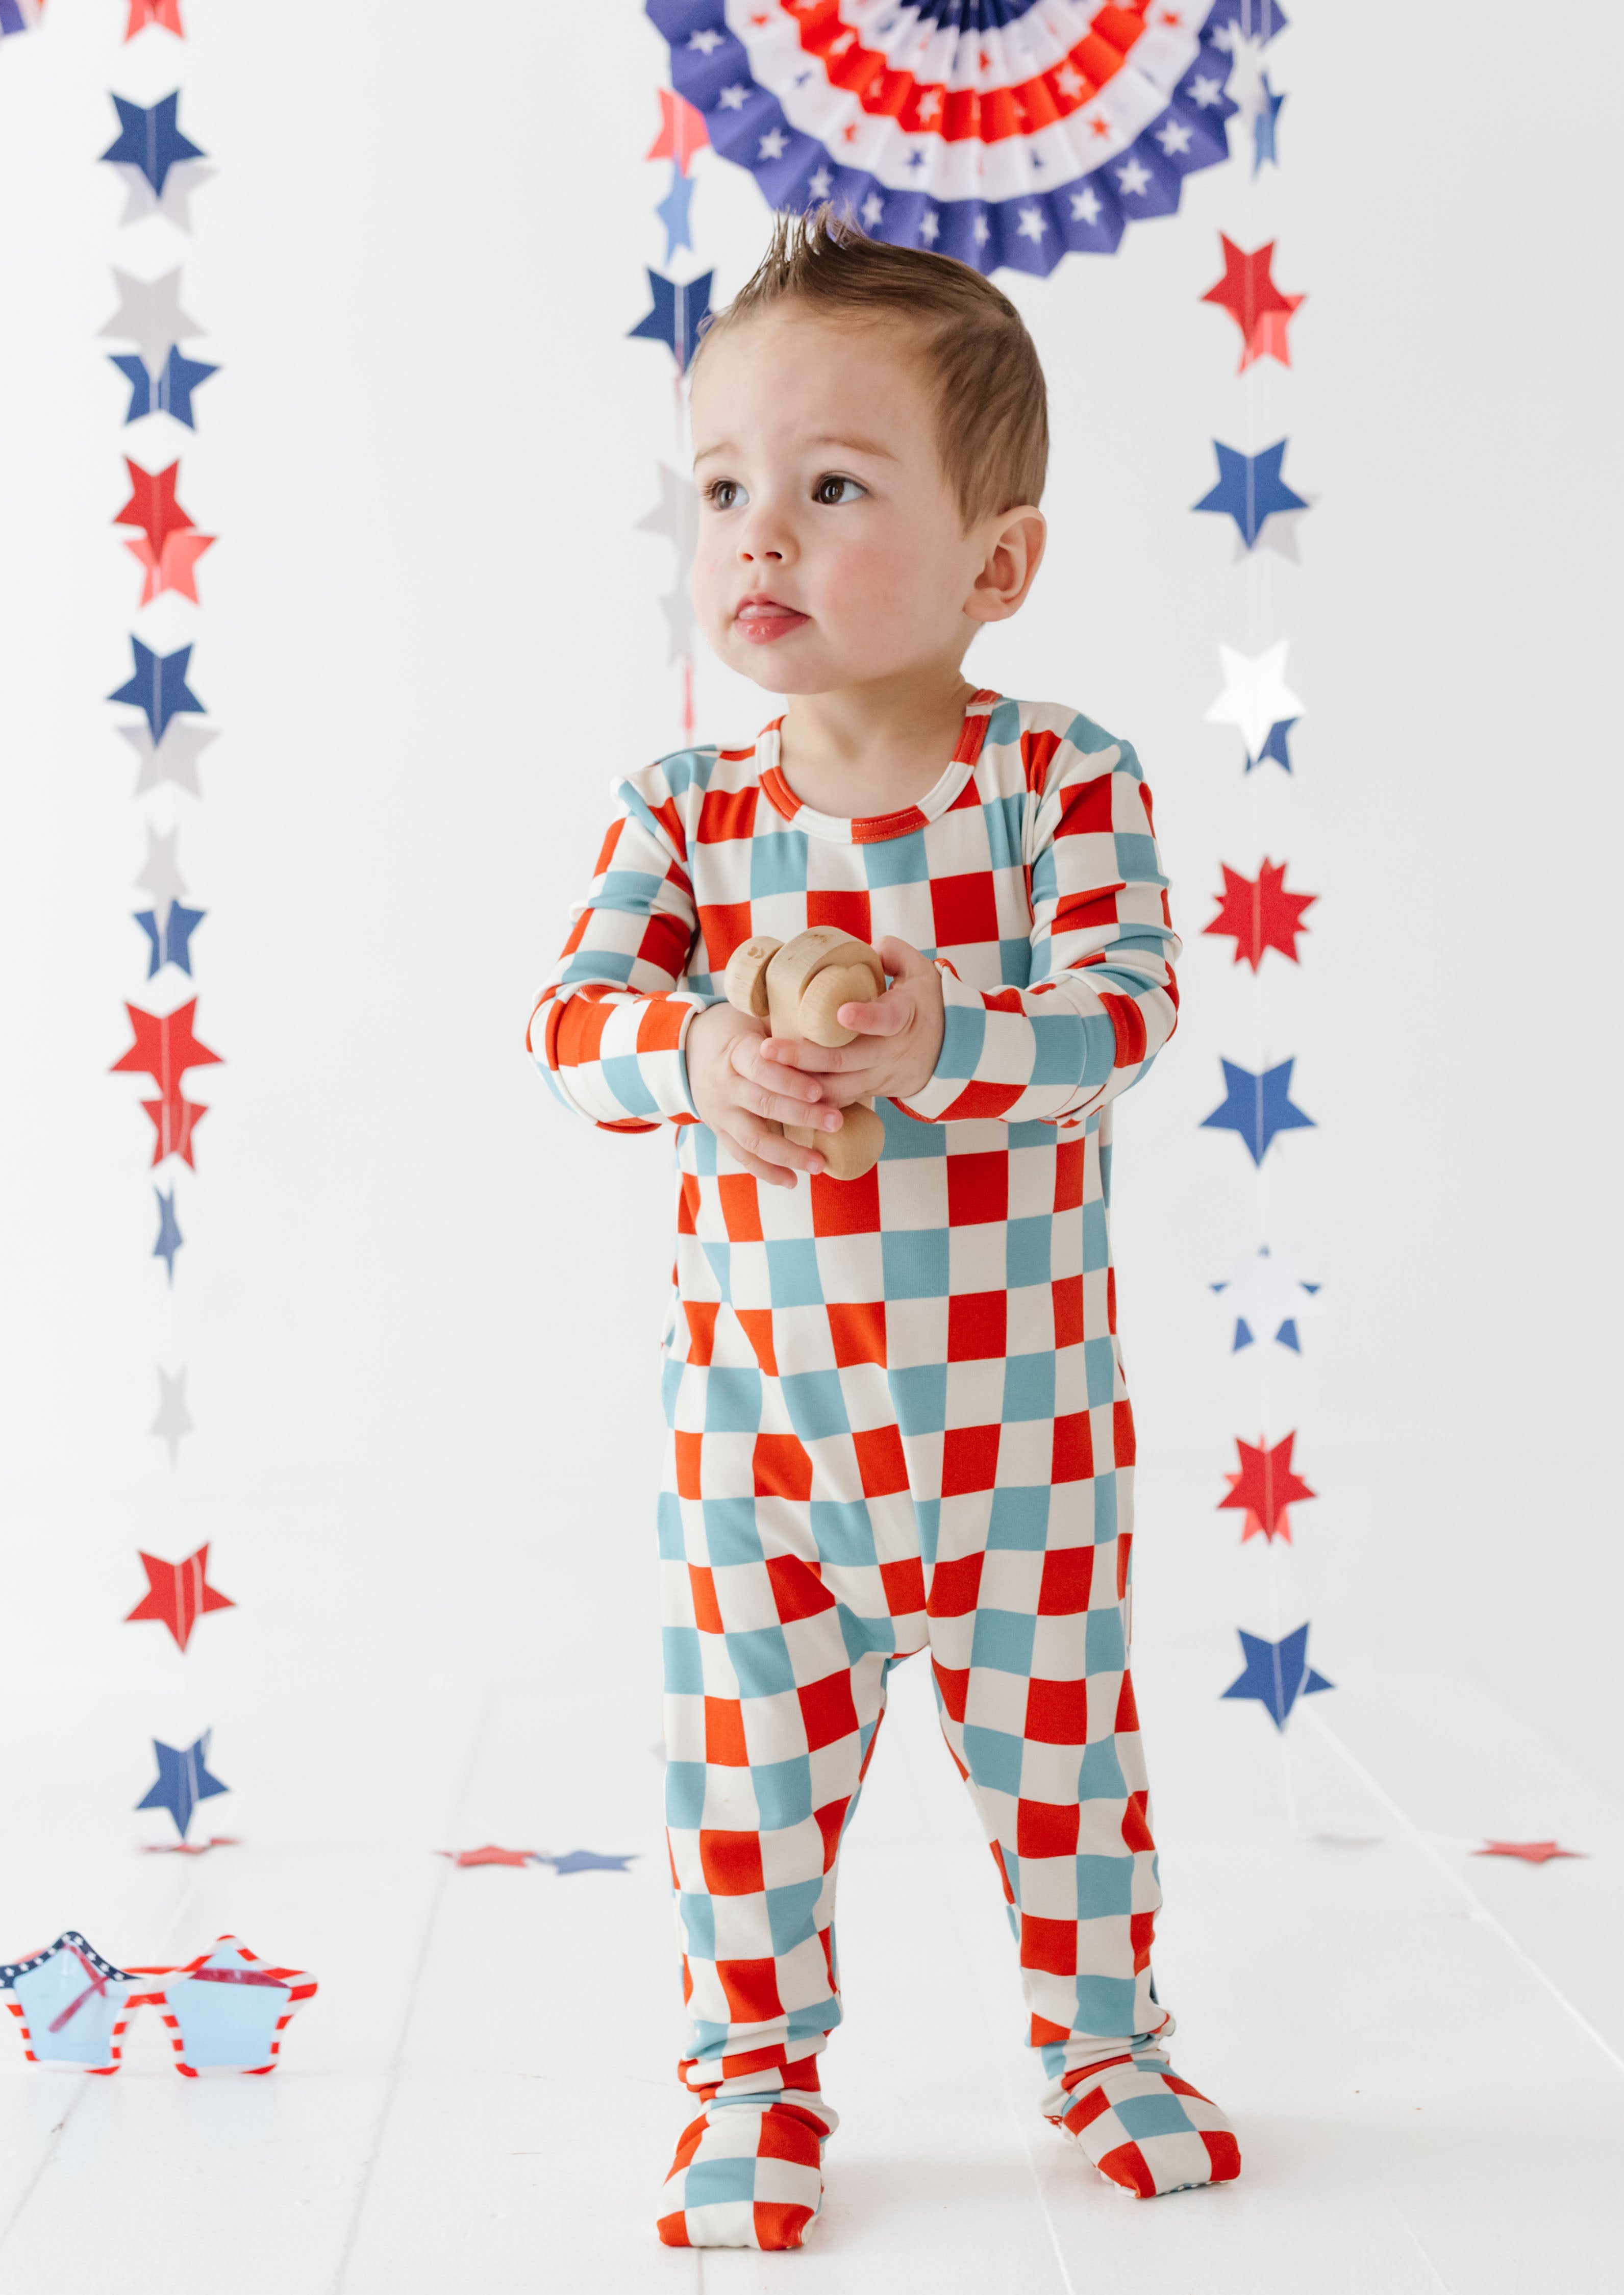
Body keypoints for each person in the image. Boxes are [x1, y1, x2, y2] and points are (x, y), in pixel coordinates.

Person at [528, 207, 1239, 2252]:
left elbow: (1123, 1015)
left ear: (995, 565)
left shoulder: (1055, 785)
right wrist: (698, 1055)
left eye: (833, 489)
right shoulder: (687, 813)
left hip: (1022, 1447)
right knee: (745, 1790)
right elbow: (571, 1026)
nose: (757, 534)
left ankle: (1104, 2044)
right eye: (722, 490)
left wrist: (942, 1030)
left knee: (1066, 1770)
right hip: (766, 1453)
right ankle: (750, 2082)